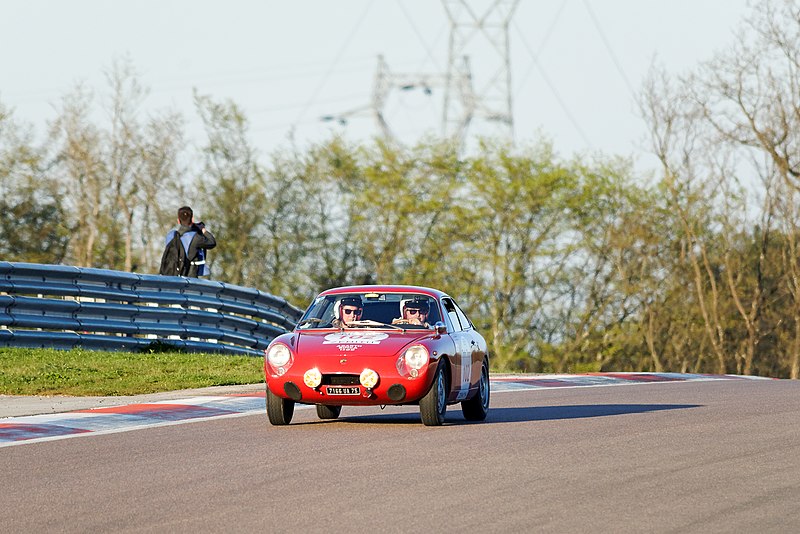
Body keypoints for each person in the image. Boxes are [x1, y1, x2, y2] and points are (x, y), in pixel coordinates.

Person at [160, 206, 216, 277]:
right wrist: (203, 230)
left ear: (178, 220)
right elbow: (212, 242)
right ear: (192, 219)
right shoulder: (196, 237)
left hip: (171, 277)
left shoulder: (170, 236)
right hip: (189, 279)